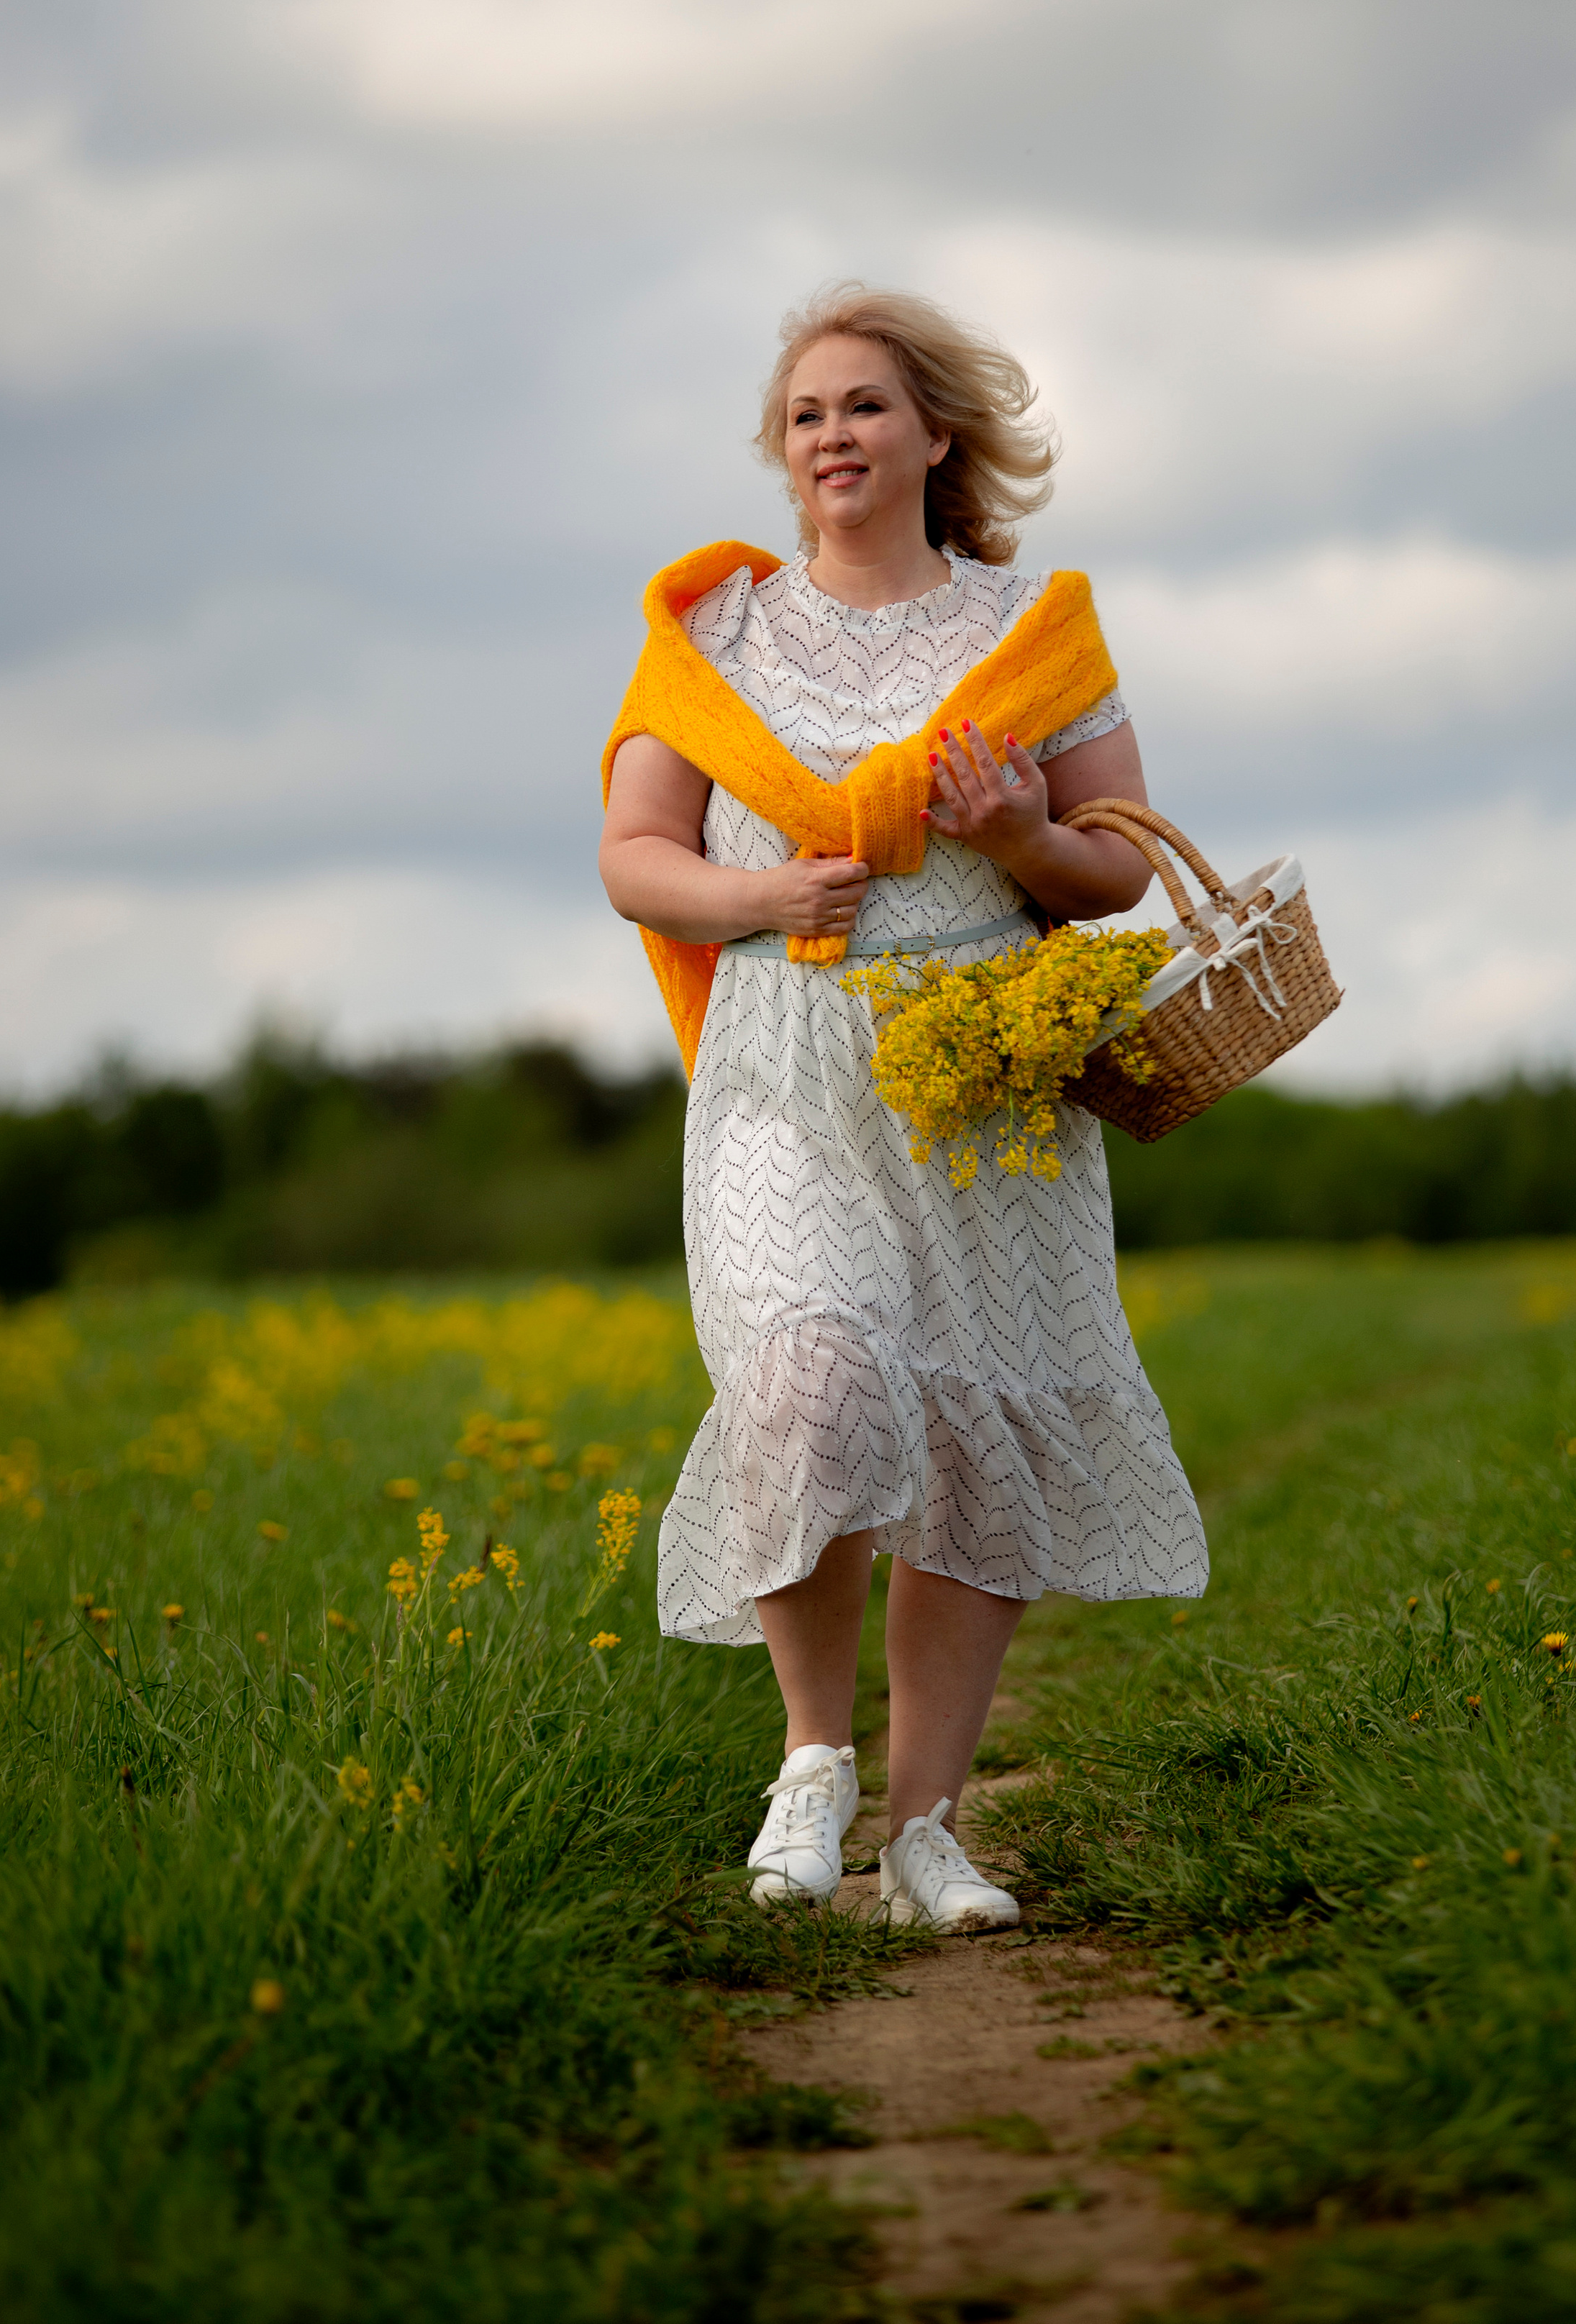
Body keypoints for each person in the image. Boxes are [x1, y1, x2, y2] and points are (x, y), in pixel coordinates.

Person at [600, 285, 1207, 1931]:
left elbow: (1112, 866)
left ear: (937, 435)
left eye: (863, 406)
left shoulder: (1034, 635)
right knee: (807, 1377)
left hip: (982, 1081)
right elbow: (633, 856)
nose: (831, 437)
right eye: (804, 414)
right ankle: (813, 1763)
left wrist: (1017, 839)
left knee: (974, 1432)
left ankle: (927, 1833)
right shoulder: (714, 637)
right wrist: (759, 897)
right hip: (782, 1066)